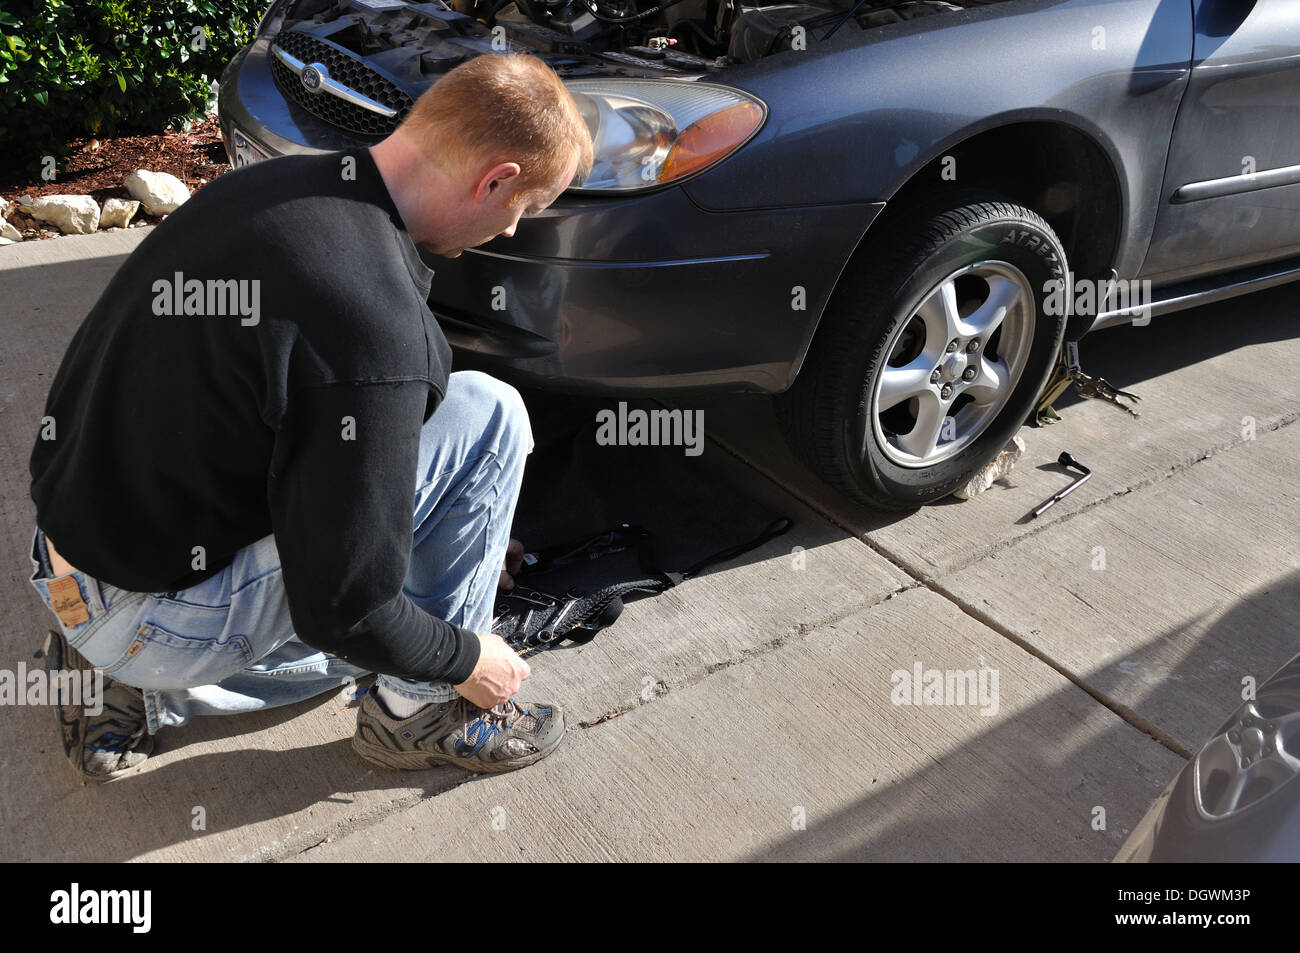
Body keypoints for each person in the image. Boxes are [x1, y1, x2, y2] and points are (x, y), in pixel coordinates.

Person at [26, 52, 595, 782]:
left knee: (385, 556)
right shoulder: (374, 325)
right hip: (140, 615)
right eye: (524, 209)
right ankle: (412, 714)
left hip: (67, 543)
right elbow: (348, 613)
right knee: (492, 421)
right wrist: (465, 657)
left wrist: (444, 529)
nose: (514, 231)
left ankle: (120, 664)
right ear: (496, 180)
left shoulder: (278, 185)